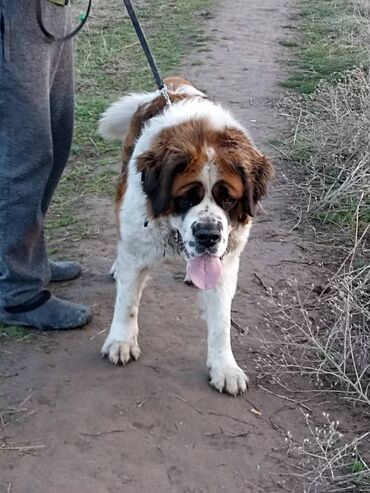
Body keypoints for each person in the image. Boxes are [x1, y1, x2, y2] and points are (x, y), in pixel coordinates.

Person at [0, 0, 92, 329]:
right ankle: (18, 293)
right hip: (14, 13)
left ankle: (22, 258)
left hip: (51, 11)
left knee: (57, 137)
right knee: (24, 153)